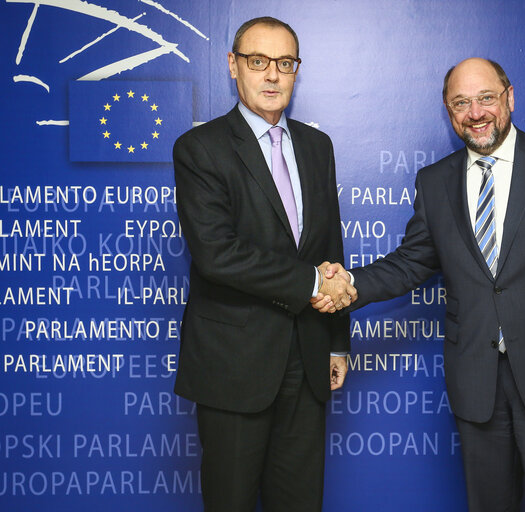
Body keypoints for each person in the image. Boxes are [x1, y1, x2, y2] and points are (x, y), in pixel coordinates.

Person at [315, 58, 525, 511]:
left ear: (509, 97)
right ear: (449, 113)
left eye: (486, 98)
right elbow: (410, 263)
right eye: (460, 103)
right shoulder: (435, 182)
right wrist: (348, 283)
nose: (475, 112)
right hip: (478, 389)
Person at [173, 16, 356, 512]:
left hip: (309, 357)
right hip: (234, 365)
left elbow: (329, 248)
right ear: (234, 66)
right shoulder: (200, 149)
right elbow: (217, 254)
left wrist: (337, 342)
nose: (272, 75)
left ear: (297, 71)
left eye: (285, 64)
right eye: (258, 62)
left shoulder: (318, 147)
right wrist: (312, 281)